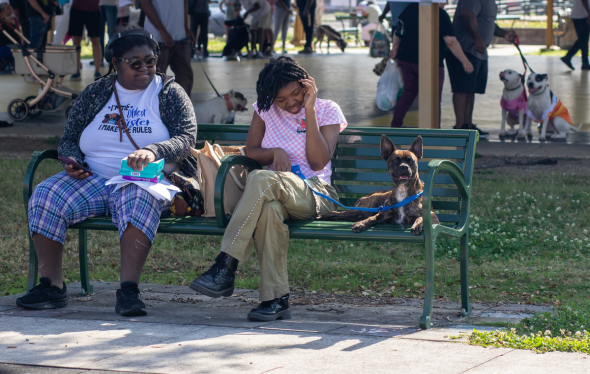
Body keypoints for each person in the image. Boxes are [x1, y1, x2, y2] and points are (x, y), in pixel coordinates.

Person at [17, 26, 199, 317]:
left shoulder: (169, 92)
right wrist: (72, 161)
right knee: (46, 194)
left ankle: (128, 290)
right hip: (93, 177)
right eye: (135, 63)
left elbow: (186, 138)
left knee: (138, 197)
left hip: (144, 179)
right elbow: (70, 136)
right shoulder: (97, 92)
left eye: (150, 61)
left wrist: (154, 150)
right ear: (115, 64)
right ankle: (52, 286)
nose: (145, 68)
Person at [190, 57, 347, 322]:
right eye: (281, 99)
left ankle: (226, 264)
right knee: (269, 211)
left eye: (296, 93)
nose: (290, 103)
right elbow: (251, 151)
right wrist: (275, 151)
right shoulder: (264, 111)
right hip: (275, 193)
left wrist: (309, 111)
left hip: (315, 193)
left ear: (306, 84)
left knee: (263, 179)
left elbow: (319, 161)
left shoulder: (326, 109)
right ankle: (275, 299)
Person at [390, 2, 473, 128]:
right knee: (433, 98)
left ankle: (395, 126)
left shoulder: (409, 9)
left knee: (408, 93)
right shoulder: (440, 14)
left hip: (406, 60)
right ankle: (434, 130)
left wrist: (395, 48)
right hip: (430, 63)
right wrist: (465, 61)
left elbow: (399, 31)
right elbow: (450, 41)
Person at [446, 0, 516, 138]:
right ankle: (460, 127)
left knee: (471, 89)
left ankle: (468, 126)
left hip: (478, 51)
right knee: (462, 88)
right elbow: (467, 14)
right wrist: (478, 39)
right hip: (465, 49)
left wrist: (504, 33)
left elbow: (485, 21)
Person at [142, 0, 195, 96]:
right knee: (155, 81)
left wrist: (185, 28)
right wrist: (162, 31)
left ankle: (182, 109)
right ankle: (154, 110)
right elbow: (145, 4)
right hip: (157, 40)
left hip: (180, 38)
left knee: (186, 78)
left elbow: (184, 2)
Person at [69, 0, 102, 81]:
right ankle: (76, 71)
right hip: (76, 9)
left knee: (95, 41)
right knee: (76, 43)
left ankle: (97, 71)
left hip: (93, 9)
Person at [561, 0, 590, 70]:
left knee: (583, 40)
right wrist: (589, 13)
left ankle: (585, 63)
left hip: (579, 15)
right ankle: (568, 56)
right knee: (583, 39)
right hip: (582, 16)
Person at [98, 0, 118, 66]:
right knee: (99, 34)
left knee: (112, 33)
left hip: (111, 3)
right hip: (98, 4)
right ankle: (99, 58)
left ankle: (112, 58)